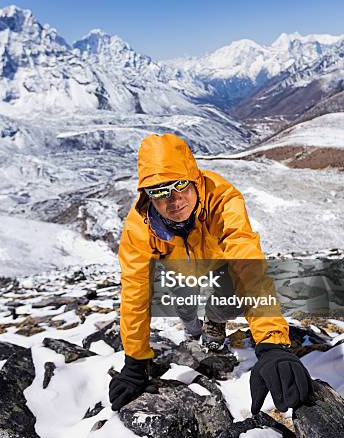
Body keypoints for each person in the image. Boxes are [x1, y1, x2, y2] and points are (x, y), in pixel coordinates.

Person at [109, 133, 312, 413]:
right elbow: (135, 291)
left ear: (194, 178)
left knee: (226, 301)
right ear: (147, 196)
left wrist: (271, 344)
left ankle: (214, 324)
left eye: (180, 184)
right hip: (178, 270)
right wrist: (135, 361)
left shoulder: (222, 200)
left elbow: (247, 265)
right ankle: (193, 331)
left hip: (219, 265)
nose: (174, 199)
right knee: (185, 305)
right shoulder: (139, 227)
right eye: (159, 191)